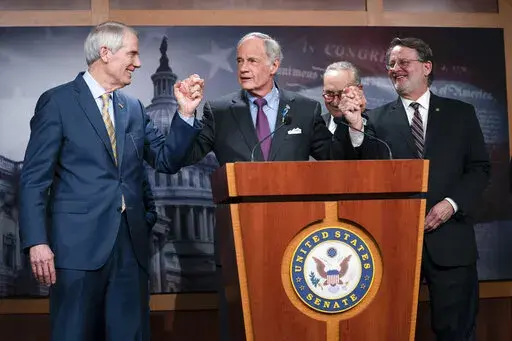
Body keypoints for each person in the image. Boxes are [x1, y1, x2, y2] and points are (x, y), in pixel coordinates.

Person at [19, 21, 204, 341]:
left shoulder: (133, 107)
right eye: (132, 53)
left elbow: (165, 160)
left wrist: (185, 114)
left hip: (129, 249)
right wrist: (37, 242)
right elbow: (34, 179)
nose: (139, 62)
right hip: (76, 250)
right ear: (105, 53)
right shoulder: (58, 102)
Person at [351, 37, 490, 341]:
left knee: (457, 332)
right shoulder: (372, 120)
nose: (395, 69)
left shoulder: (461, 114)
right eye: (391, 64)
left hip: (451, 243)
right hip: (393, 244)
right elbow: (361, 172)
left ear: (426, 67)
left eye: (403, 62)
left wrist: (450, 204)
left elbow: (479, 169)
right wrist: (354, 127)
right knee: (391, 329)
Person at [180, 32, 361, 166]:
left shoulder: (305, 109)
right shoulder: (219, 112)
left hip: (295, 212)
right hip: (240, 212)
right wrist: (186, 114)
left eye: (252, 61)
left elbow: (336, 159)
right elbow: (183, 157)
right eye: (240, 61)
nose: (243, 68)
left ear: (273, 66)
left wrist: (353, 125)